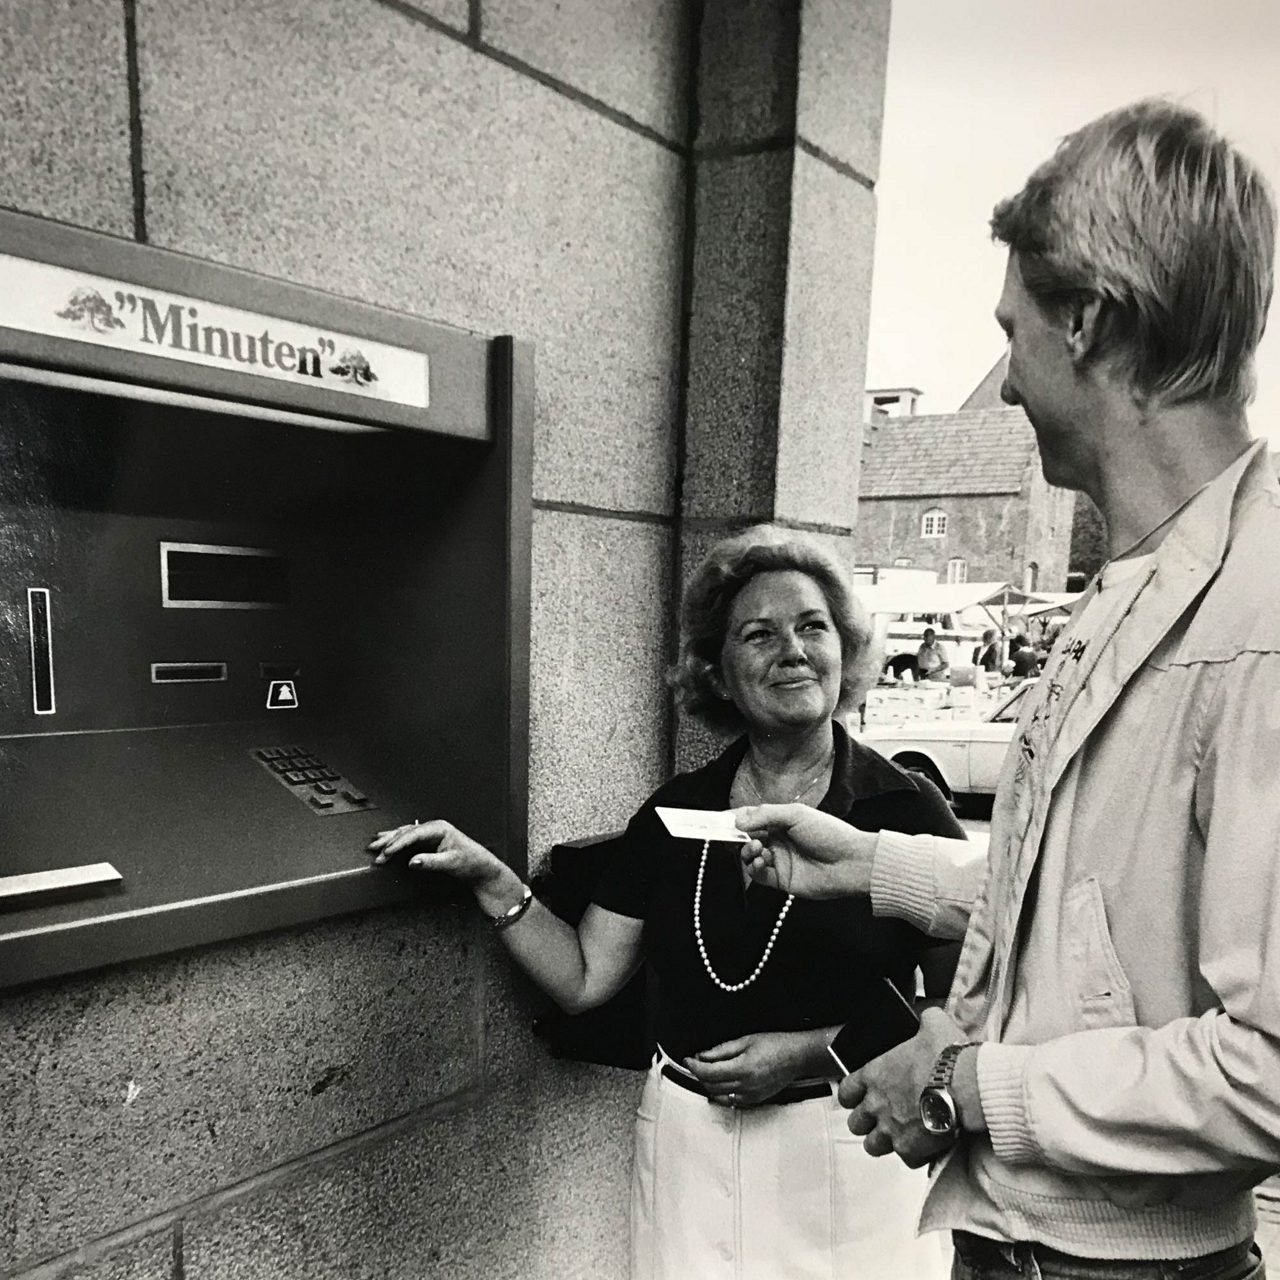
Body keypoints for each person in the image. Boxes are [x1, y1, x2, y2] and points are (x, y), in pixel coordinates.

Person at [736, 100, 1280, 1279]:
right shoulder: (1148, 576)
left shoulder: (1263, 622)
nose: (1005, 385)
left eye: (1013, 328)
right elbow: (1104, 912)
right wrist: (878, 868)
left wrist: (963, 1080)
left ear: (1083, 318)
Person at [368, 526, 964, 1279]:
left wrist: (815, 1049)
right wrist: (491, 878)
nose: (793, 649)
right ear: (717, 671)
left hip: (849, 1140)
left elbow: (969, 1002)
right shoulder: (674, 813)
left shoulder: (905, 811)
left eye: (814, 626)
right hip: (690, 1153)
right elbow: (585, 978)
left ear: (846, 649)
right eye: (760, 634)